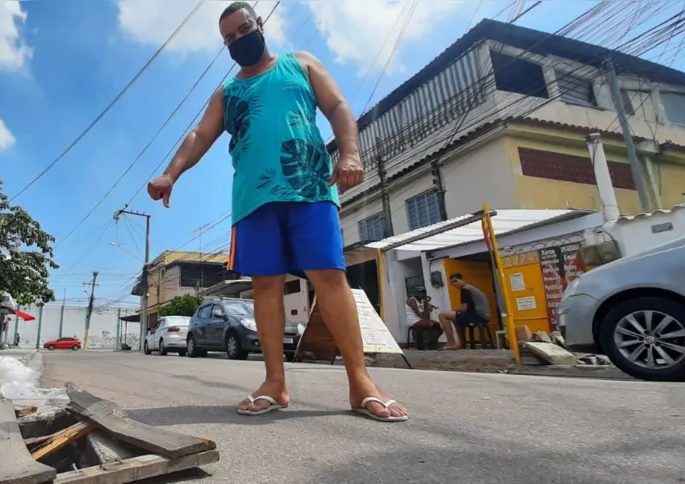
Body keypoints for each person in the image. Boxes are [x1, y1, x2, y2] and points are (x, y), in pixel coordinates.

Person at [146, 2, 407, 422]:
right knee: (265, 286)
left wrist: (351, 154)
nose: (237, 40)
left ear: (260, 25)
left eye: (243, 29)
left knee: (329, 277)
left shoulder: (299, 64)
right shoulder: (228, 93)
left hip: (310, 189)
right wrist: (170, 174)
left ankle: (361, 383)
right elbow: (200, 134)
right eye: (228, 38)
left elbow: (338, 106)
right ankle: (274, 383)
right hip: (253, 199)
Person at [438, 273, 491, 350]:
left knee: (442, 315)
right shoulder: (471, 288)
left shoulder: (465, 290)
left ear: (462, 280)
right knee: (455, 317)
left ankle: (451, 342)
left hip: (479, 316)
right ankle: (460, 343)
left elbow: (464, 309)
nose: (454, 284)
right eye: (452, 282)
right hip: (483, 316)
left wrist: (454, 311)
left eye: (456, 281)